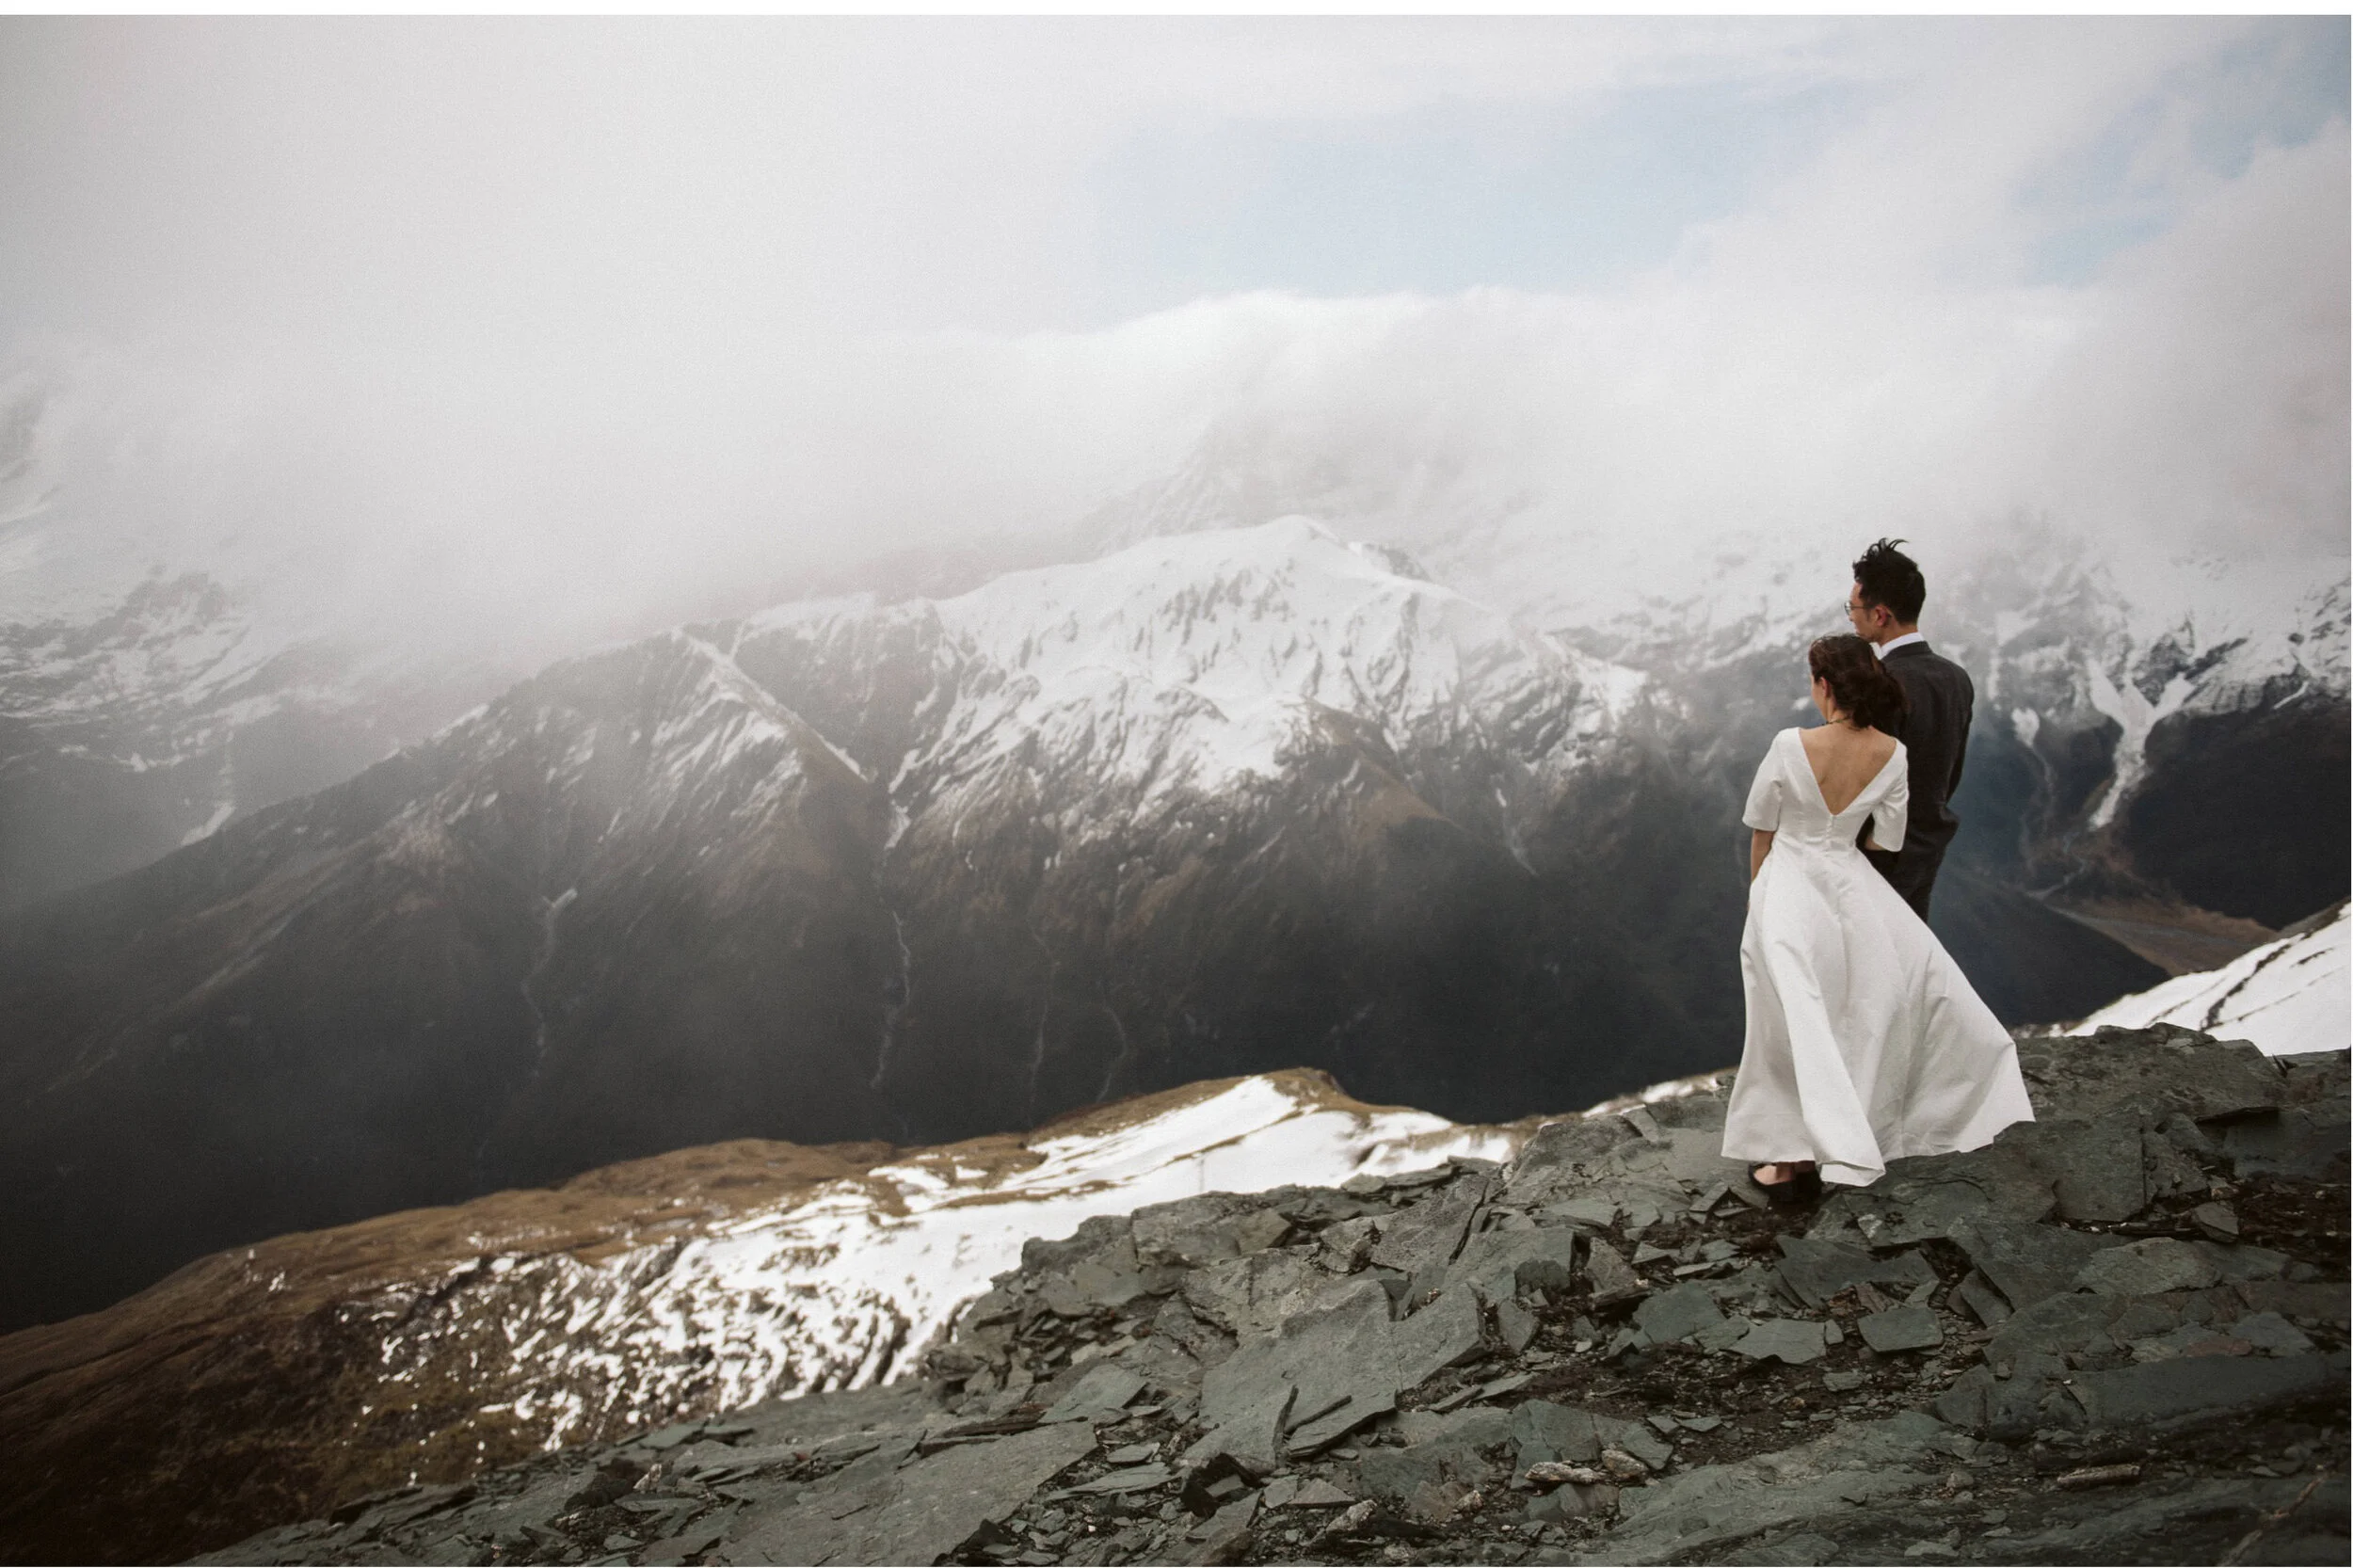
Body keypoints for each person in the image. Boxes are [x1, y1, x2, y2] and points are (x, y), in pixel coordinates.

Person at [1721, 634, 2034, 1198]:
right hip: (1851, 885)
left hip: (1789, 887)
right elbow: (1886, 840)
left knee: (1785, 1020)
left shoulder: (1790, 745)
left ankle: (1790, 1160)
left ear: (1824, 685)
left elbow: (1761, 828)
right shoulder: (1893, 753)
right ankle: (1858, 1127)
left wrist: (1758, 894)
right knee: (1855, 1010)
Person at [1846, 538, 1973, 920]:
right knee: (1908, 958)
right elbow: (1952, 771)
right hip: (1928, 846)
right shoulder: (1957, 678)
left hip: (1881, 855)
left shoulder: (1882, 682)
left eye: (1853, 608)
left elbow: (1862, 780)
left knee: (1869, 962)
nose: (1851, 617)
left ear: (1880, 615)